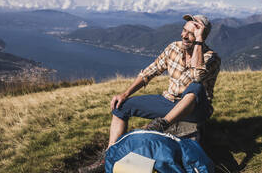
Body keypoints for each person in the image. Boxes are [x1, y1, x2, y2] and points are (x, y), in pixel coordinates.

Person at [83, 14, 221, 173]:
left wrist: (198, 41)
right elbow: (150, 71)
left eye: (190, 33)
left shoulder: (212, 58)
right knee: (121, 107)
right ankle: (109, 156)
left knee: (196, 86)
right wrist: (125, 94)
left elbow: (198, 75)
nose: (184, 35)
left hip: (196, 109)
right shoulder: (173, 48)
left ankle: (161, 124)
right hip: (169, 102)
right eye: (184, 30)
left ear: (201, 36)